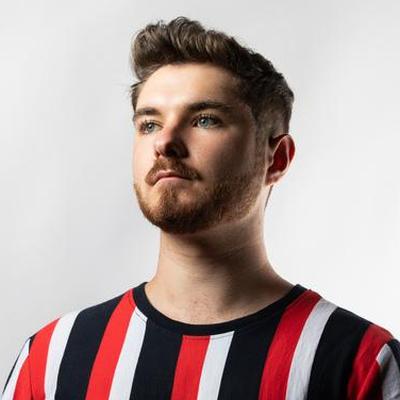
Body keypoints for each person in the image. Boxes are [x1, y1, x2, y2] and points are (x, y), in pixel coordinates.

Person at [3, 16, 400, 400]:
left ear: (276, 159)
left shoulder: (361, 362)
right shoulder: (52, 357)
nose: (165, 142)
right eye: (149, 124)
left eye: (205, 120)